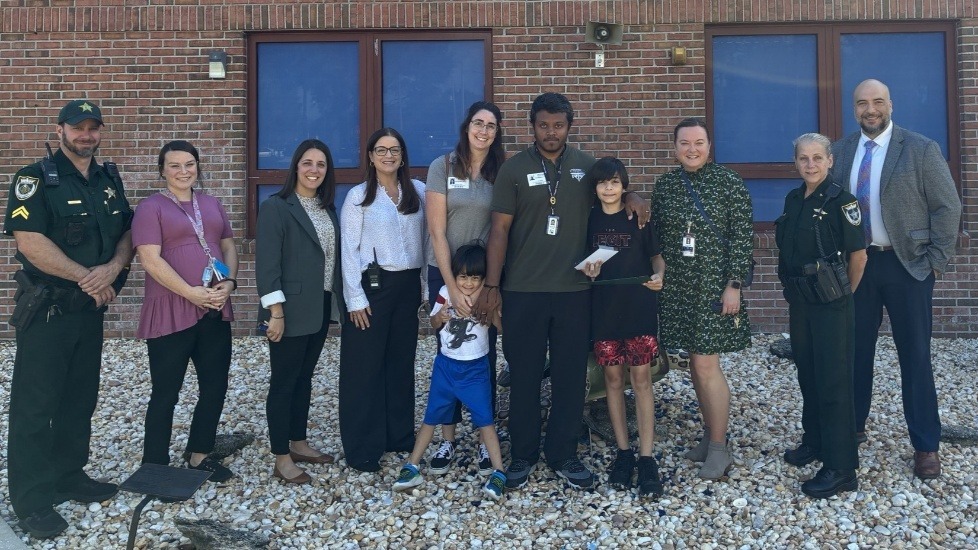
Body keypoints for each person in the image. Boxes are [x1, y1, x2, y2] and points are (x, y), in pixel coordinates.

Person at [474, 92, 648, 490]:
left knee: (570, 377)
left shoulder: (586, 166)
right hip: (523, 291)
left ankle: (563, 453)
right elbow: (499, 230)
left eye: (558, 125)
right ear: (532, 127)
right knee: (525, 374)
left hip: (574, 291)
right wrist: (492, 285)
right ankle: (523, 454)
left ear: (569, 126)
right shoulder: (514, 169)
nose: (550, 133)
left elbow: (612, 190)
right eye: (543, 125)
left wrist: (633, 195)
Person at [3, 100, 133, 539]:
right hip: (49, 310)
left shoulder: (107, 178)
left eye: (93, 128)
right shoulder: (34, 178)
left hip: (88, 312)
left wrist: (112, 269)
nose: (86, 135)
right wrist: (88, 278)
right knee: (36, 407)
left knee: (79, 399)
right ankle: (32, 500)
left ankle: (68, 475)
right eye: (78, 127)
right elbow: (29, 241)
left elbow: (127, 231)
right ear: (60, 130)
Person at [830, 79, 961, 479]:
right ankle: (851, 429)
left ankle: (926, 445)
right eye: (862, 103)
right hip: (858, 265)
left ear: (890, 104)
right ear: (854, 108)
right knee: (854, 353)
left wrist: (935, 262)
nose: (870, 109)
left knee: (915, 356)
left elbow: (947, 207)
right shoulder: (841, 151)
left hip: (908, 266)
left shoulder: (920, 148)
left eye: (877, 102)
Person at [651, 117, 752, 480]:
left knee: (707, 365)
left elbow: (742, 237)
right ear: (674, 147)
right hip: (679, 289)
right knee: (694, 364)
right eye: (684, 143)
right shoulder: (665, 185)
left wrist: (734, 284)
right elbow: (657, 238)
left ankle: (720, 448)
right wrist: (659, 274)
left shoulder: (729, 183)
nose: (691, 149)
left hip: (713, 286)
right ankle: (710, 435)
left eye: (698, 143)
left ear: (710, 146)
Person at [133, 140, 238, 483]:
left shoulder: (211, 203)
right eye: (175, 165)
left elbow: (227, 245)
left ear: (197, 167)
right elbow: (150, 259)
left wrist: (229, 282)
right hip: (171, 310)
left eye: (189, 164)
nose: (183, 171)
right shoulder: (150, 207)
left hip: (214, 308)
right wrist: (190, 292)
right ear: (162, 170)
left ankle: (199, 454)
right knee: (166, 392)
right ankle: (155, 464)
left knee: (215, 385)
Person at [776, 133, 867, 498]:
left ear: (830, 161)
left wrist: (842, 297)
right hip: (801, 302)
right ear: (796, 162)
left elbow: (858, 256)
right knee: (808, 373)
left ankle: (842, 467)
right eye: (803, 158)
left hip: (831, 305)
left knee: (833, 382)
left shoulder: (843, 202)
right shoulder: (794, 198)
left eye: (817, 158)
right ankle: (815, 441)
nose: (810, 164)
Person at [257, 139, 346, 485]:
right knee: (284, 382)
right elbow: (268, 266)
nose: (314, 170)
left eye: (321, 164)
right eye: (307, 163)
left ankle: (298, 442)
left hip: (320, 305)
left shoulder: (327, 208)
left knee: (304, 378)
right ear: (296, 166)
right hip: (288, 310)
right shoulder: (276, 207)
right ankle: (281, 457)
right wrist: (276, 313)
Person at [339, 128, 427, 472]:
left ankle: (398, 435)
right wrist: (354, 299)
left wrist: (425, 288)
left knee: (400, 363)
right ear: (371, 156)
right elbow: (349, 250)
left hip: (408, 286)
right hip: (372, 287)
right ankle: (363, 447)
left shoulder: (418, 191)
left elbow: (428, 242)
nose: (388, 155)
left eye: (394, 150)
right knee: (364, 367)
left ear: (402, 156)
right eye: (381, 150)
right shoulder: (358, 196)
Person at [425, 101, 506, 476]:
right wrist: (450, 287)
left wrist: (489, 284)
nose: (483, 130)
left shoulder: (501, 171)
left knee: (482, 355)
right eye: (478, 122)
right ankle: (447, 437)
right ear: (467, 126)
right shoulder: (442, 167)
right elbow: (437, 230)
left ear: (496, 133)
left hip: (484, 277)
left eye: (491, 125)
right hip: (445, 273)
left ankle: (484, 439)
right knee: (448, 355)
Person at [393, 243, 507, 500]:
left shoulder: (487, 296)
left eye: (475, 278)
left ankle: (498, 472)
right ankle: (412, 466)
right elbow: (433, 322)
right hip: (445, 366)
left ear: (484, 279)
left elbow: (500, 328)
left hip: (476, 368)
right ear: (454, 276)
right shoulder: (445, 292)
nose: (468, 283)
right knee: (430, 416)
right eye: (463, 277)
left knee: (485, 420)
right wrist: (441, 316)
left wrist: (490, 310)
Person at [583, 157, 666, 498]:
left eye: (615, 182)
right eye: (603, 182)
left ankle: (646, 457)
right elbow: (582, 263)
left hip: (638, 308)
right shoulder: (588, 219)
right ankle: (623, 452)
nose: (609, 188)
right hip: (603, 311)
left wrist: (660, 275)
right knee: (613, 380)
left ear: (624, 186)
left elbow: (656, 256)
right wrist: (587, 271)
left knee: (641, 379)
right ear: (595, 187)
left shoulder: (638, 216)